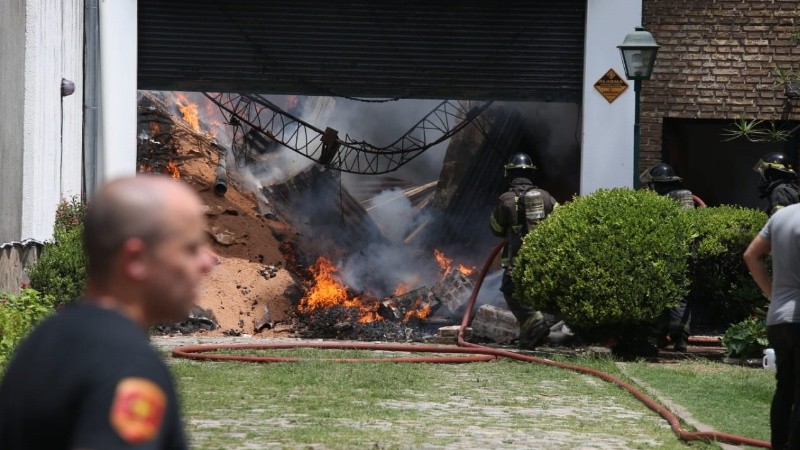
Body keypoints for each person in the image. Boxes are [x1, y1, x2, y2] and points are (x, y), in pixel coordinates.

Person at [0, 175, 216, 449]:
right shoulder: (127, 365)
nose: (209, 261)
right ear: (135, 259)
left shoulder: (44, 339)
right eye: (191, 248)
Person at [744, 203, 800, 449]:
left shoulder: (783, 216)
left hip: (778, 318)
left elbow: (751, 255)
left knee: (785, 388)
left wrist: (772, 294)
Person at [490, 152, 558, 349]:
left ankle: (534, 322)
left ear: (509, 174)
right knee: (533, 296)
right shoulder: (546, 197)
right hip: (543, 261)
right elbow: (561, 222)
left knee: (511, 292)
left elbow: (496, 229)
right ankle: (529, 337)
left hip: (516, 261)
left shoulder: (506, 199)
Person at [640, 163, 694, 352]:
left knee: (671, 298)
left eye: (652, 186)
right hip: (676, 257)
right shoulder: (678, 199)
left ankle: (670, 337)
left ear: (659, 185)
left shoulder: (672, 199)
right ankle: (673, 339)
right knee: (675, 299)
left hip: (671, 258)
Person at [754, 152, 800, 216]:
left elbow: (781, 221)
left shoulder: (780, 192)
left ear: (770, 175)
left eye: (764, 173)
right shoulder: (790, 189)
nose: (762, 178)